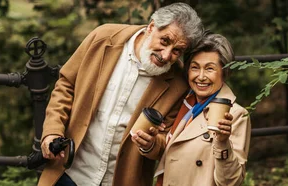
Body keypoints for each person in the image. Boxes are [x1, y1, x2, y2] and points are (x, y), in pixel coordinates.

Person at [38, 3, 204, 186]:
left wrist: (151, 144)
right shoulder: (103, 38)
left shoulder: (179, 83)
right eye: (164, 41)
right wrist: (52, 131)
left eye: (177, 51)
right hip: (69, 172)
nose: (166, 55)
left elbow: (165, 141)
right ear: (151, 27)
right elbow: (66, 85)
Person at [133, 33, 251, 186]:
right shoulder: (182, 102)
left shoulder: (235, 115)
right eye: (195, 68)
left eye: (210, 69)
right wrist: (150, 144)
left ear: (224, 72)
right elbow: (174, 152)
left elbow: (231, 181)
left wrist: (222, 142)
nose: (201, 77)